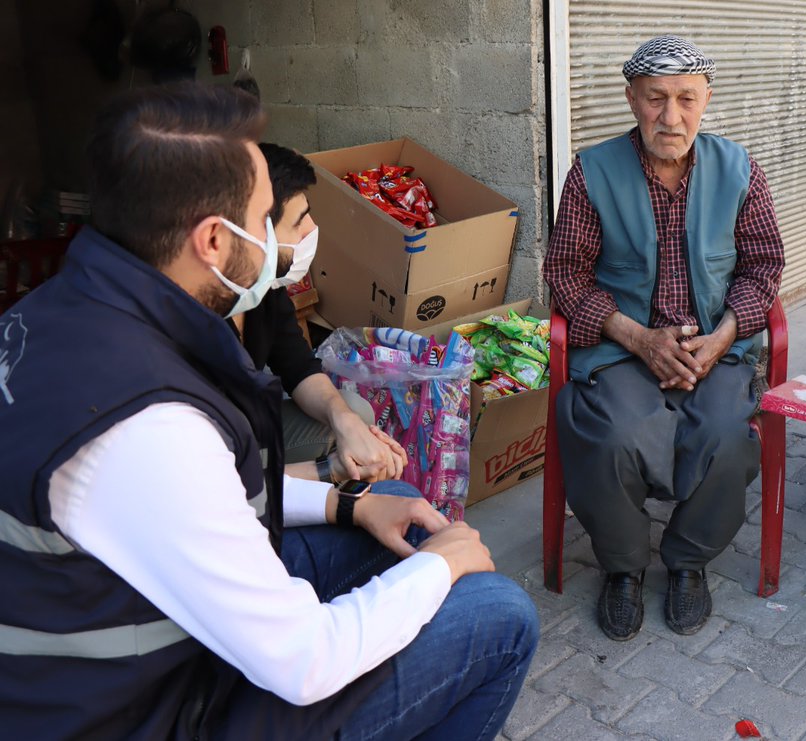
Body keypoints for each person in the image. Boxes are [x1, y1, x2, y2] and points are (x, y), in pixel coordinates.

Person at [0, 83, 537, 738]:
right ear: (212, 242)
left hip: (153, 632)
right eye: (264, 216)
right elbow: (304, 661)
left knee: (388, 501)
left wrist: (350, 502)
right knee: (497, 613)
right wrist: (444, 563)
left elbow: (197, 500)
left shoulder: (60, 313)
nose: (285, 236)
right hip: (151, 707)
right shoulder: (143, 424)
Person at [543, 35, 785, 641]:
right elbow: (565, 276)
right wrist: (638, 338)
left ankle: (687, 560)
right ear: (632, 99)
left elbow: (764, 268)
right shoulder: (592, 171)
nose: (670, 116)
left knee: (728, 435)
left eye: (685, 99)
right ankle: (623, 567)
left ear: (706, 101)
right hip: (622, 346)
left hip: (715, 347)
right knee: (612, 432)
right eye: (655, 99)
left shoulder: (739, 170)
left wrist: (723, 335)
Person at [234, 141, 404, 483]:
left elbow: (297, 366)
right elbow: (213, 494)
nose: (312, 229)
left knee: (354, 412)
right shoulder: (197, 323)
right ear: (253, 232)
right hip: (222, 475)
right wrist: (329, 473)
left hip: (243, 431)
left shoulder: (265, 289)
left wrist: (345, 421)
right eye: (298, 222)